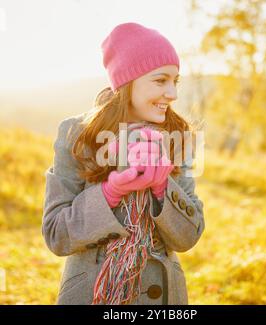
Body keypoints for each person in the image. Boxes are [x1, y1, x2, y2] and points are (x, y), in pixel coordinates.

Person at [42, 22, 205, 305]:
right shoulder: (76, 135)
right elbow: (56, 235)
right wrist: (109, 194)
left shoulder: (178, 139)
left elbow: (189, 237)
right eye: (160, 80)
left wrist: (162, 189)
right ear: (128, 82)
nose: (173, 93)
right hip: (92, 295)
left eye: (175, 81)